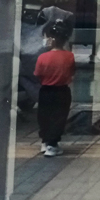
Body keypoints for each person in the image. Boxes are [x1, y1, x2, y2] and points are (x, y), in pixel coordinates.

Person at [34, 20, 75, 157]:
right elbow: (71, 72)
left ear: (51, 39)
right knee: (59, 117)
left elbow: (38, 74)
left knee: (44, 116)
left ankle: (45, 141)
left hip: (45, 91)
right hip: (62, 91)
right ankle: (52, 144)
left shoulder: (42, 57)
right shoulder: (69, 56)